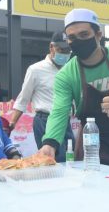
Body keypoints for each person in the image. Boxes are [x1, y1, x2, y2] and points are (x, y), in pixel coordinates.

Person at [39, 8, 109, 172]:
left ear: (98, 35)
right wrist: (50, 143)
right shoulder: (66, 75)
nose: (78, 41)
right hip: (90, 146)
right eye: (72, 38)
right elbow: (59, 112)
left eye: (84, 35)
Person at [9, 31, 75, 162]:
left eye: (68, 50)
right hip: (44, 120)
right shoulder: (36, 70)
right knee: (50, 159)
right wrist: (12, 123)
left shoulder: (70, 69)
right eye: (60, 49)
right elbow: (23, 98)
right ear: (51, 47)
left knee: (70, 158)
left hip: (64, 120)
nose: (64, 54)